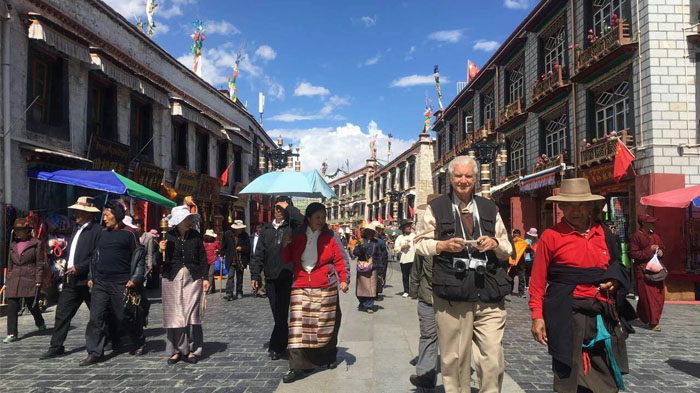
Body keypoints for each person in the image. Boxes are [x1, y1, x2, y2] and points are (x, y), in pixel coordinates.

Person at [414, 155, 512, 393]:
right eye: (458, 175)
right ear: (450, 178)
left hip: (488, 293)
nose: (463, 180)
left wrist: (494, 244)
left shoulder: (489, 207)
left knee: (493, 360)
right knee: (455, 360)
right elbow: (419, 244)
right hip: (452, 295)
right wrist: (442, 246)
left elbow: (507, 247)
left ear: (475, 178)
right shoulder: (436, 208)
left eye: (468, 175)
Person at [529, 178, 632, 393]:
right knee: (567, 373)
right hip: (567, 312)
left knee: (606, 376)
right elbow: (538, 281)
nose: (575, 211)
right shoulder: (551, 236)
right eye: (569, 205)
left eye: (581, 205)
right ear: (562, 207)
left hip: (601, 310)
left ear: (589, 207)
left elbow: (617, 266)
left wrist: (614, 281)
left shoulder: (604, 234)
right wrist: (537, 316)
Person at [279, 202, 349, 383]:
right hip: (301, 284)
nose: (321, 220)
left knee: (325, 324)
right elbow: (287, 260)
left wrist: (344, 279)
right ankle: (297, 366)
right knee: (297, 327)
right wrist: (286, 245)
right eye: (317, 217)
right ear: (308, 218)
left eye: (323, 217)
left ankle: (327, 356)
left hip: (325, 285)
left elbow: (341, 259)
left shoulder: (331, 236)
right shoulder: (297, 235)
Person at [82, 200, 145, 366]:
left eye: (107, 215)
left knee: (124, 316)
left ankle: (138, 340)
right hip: (101, 282)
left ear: (117, 216)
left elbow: (139, 258)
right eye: (104, 216)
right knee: (96, 317)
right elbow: (94, 257)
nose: (105, 219)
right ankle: (95, 352)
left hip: (122, 283)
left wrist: (135, 279)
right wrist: (91, 276)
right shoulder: (101, 234)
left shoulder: (129, 234)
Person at [40, 197, 101, 358]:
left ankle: (109, 339)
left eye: (79, 212)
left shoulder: (96, 231)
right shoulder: (76, 229)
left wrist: (80, 268)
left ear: (87, 213)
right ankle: (56, 346)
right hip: (71, 280)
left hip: (88, 280)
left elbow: (96, 257)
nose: (75, 215)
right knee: (62, 313)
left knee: (98, 315)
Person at [250, 196, 304, 360]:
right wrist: (255, 274)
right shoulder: (266, 230)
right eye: (277, 208)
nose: (278, 211)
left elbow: (302, 221)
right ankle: (282, 343)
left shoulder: (293, 228)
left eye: (282, 209)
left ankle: (277, 347)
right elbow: (258, 254)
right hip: (271, 278)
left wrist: (289, 208)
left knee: (282, 312)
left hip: (288, 277)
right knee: (277, 313)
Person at [158, 205, 209, 365]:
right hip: (171, 278)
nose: (189, 222)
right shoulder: (167, 237)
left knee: (192, 316)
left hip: (193, 278)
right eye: (186, 219)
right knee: (174, 316)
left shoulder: (195, 236)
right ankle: (175, 350)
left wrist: (205, 277)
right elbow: (159, 264)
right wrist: (160, 251)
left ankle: (193, 350)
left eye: (189, 219)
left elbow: (202, 257)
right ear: (178, 221)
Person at [408, 196, 440, 389]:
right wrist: (414, 292)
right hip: (428, 296)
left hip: (452, 299)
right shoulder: (423, 239)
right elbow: (417, 268)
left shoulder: (454, 234)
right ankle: (426, 374)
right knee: (428, 335)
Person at [3, 218, 46, 343]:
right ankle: (12, 333)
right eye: (16, 230)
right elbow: (10, 264)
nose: (18, 233)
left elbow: (39, 264)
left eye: (20, 230)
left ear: (27, 231)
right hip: (14, 278)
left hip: (29, 277)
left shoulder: (35, 243)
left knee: (31, 305)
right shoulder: (12, 246)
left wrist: (38, 280)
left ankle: (40, 322)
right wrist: (8, 280)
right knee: (12, 305)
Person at [630, 213, 665, 331]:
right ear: (643, 223)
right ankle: (653, 322)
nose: (653, 224)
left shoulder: (655, 236)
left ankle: (650, 316)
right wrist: (649, 250)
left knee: (659, 297)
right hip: (643, 271)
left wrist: (661, 252)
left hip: (656, 270)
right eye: (650, 222)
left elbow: (662, 248)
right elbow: (634, 254)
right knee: (647, 297)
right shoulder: (636, 236)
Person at [353, 222, 384, 313]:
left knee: (372, 287)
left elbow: (378, 255)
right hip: (362, 267)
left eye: (371, 232)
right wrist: (360, 248)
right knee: (361, 287)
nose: (369, 233)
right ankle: (362, 302)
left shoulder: (376, 243)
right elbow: (355, 253)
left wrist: (380, 269)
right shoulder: (361, 241)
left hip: (373, 267)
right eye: (367, 231)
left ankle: (369, 305)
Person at [222, 220, 250, 300]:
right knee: (230, 276)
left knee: (240, 277)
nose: (239, 230)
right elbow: (224, 245)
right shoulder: (228, 234)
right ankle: (229, 293)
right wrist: (222, 254)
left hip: (240, 259)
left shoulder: (245, 236)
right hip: (231, 259)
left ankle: (239, 291)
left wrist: (242, 248)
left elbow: (248, 247)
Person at [394, 219, 416, 298]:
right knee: (405, 276)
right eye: (407, 226)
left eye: (410, 226)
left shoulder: (414, 236)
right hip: (404, 260)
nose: (409, 227)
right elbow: (396, 249)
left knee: (414, 276)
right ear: (403, 228)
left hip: (413, 259)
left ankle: (414, 291)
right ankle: (406, 291)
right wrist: (402, 247)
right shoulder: (400, 237)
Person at [509, 229, 530, 298]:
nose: (516, 238)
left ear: (520, 236)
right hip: (513, 261)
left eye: (517, 236)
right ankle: (510, 290)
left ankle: (521, 292)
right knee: (511, 277)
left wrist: (527, 247)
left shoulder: (522, 242)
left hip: (521, 263)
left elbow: (528, 250)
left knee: (521, 278)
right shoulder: (510, 242)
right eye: (515, 236)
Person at [202, 229, 221, 294]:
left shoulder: (216, 242)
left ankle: (209, 288)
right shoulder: (203, 243)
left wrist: (217, 251)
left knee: (211, 274)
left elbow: (220, 249)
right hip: (205, 260)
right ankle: (212, 288)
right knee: (207, 274)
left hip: (213, 260)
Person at [250, 223, 266, 297]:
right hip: (253, 257)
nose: (259, 230)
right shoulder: (252, 237)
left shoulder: (265, 237)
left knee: (262, 274)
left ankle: (262, 290)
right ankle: (255, 289)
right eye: (258, 228)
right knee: (254, 273)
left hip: (262, 257)